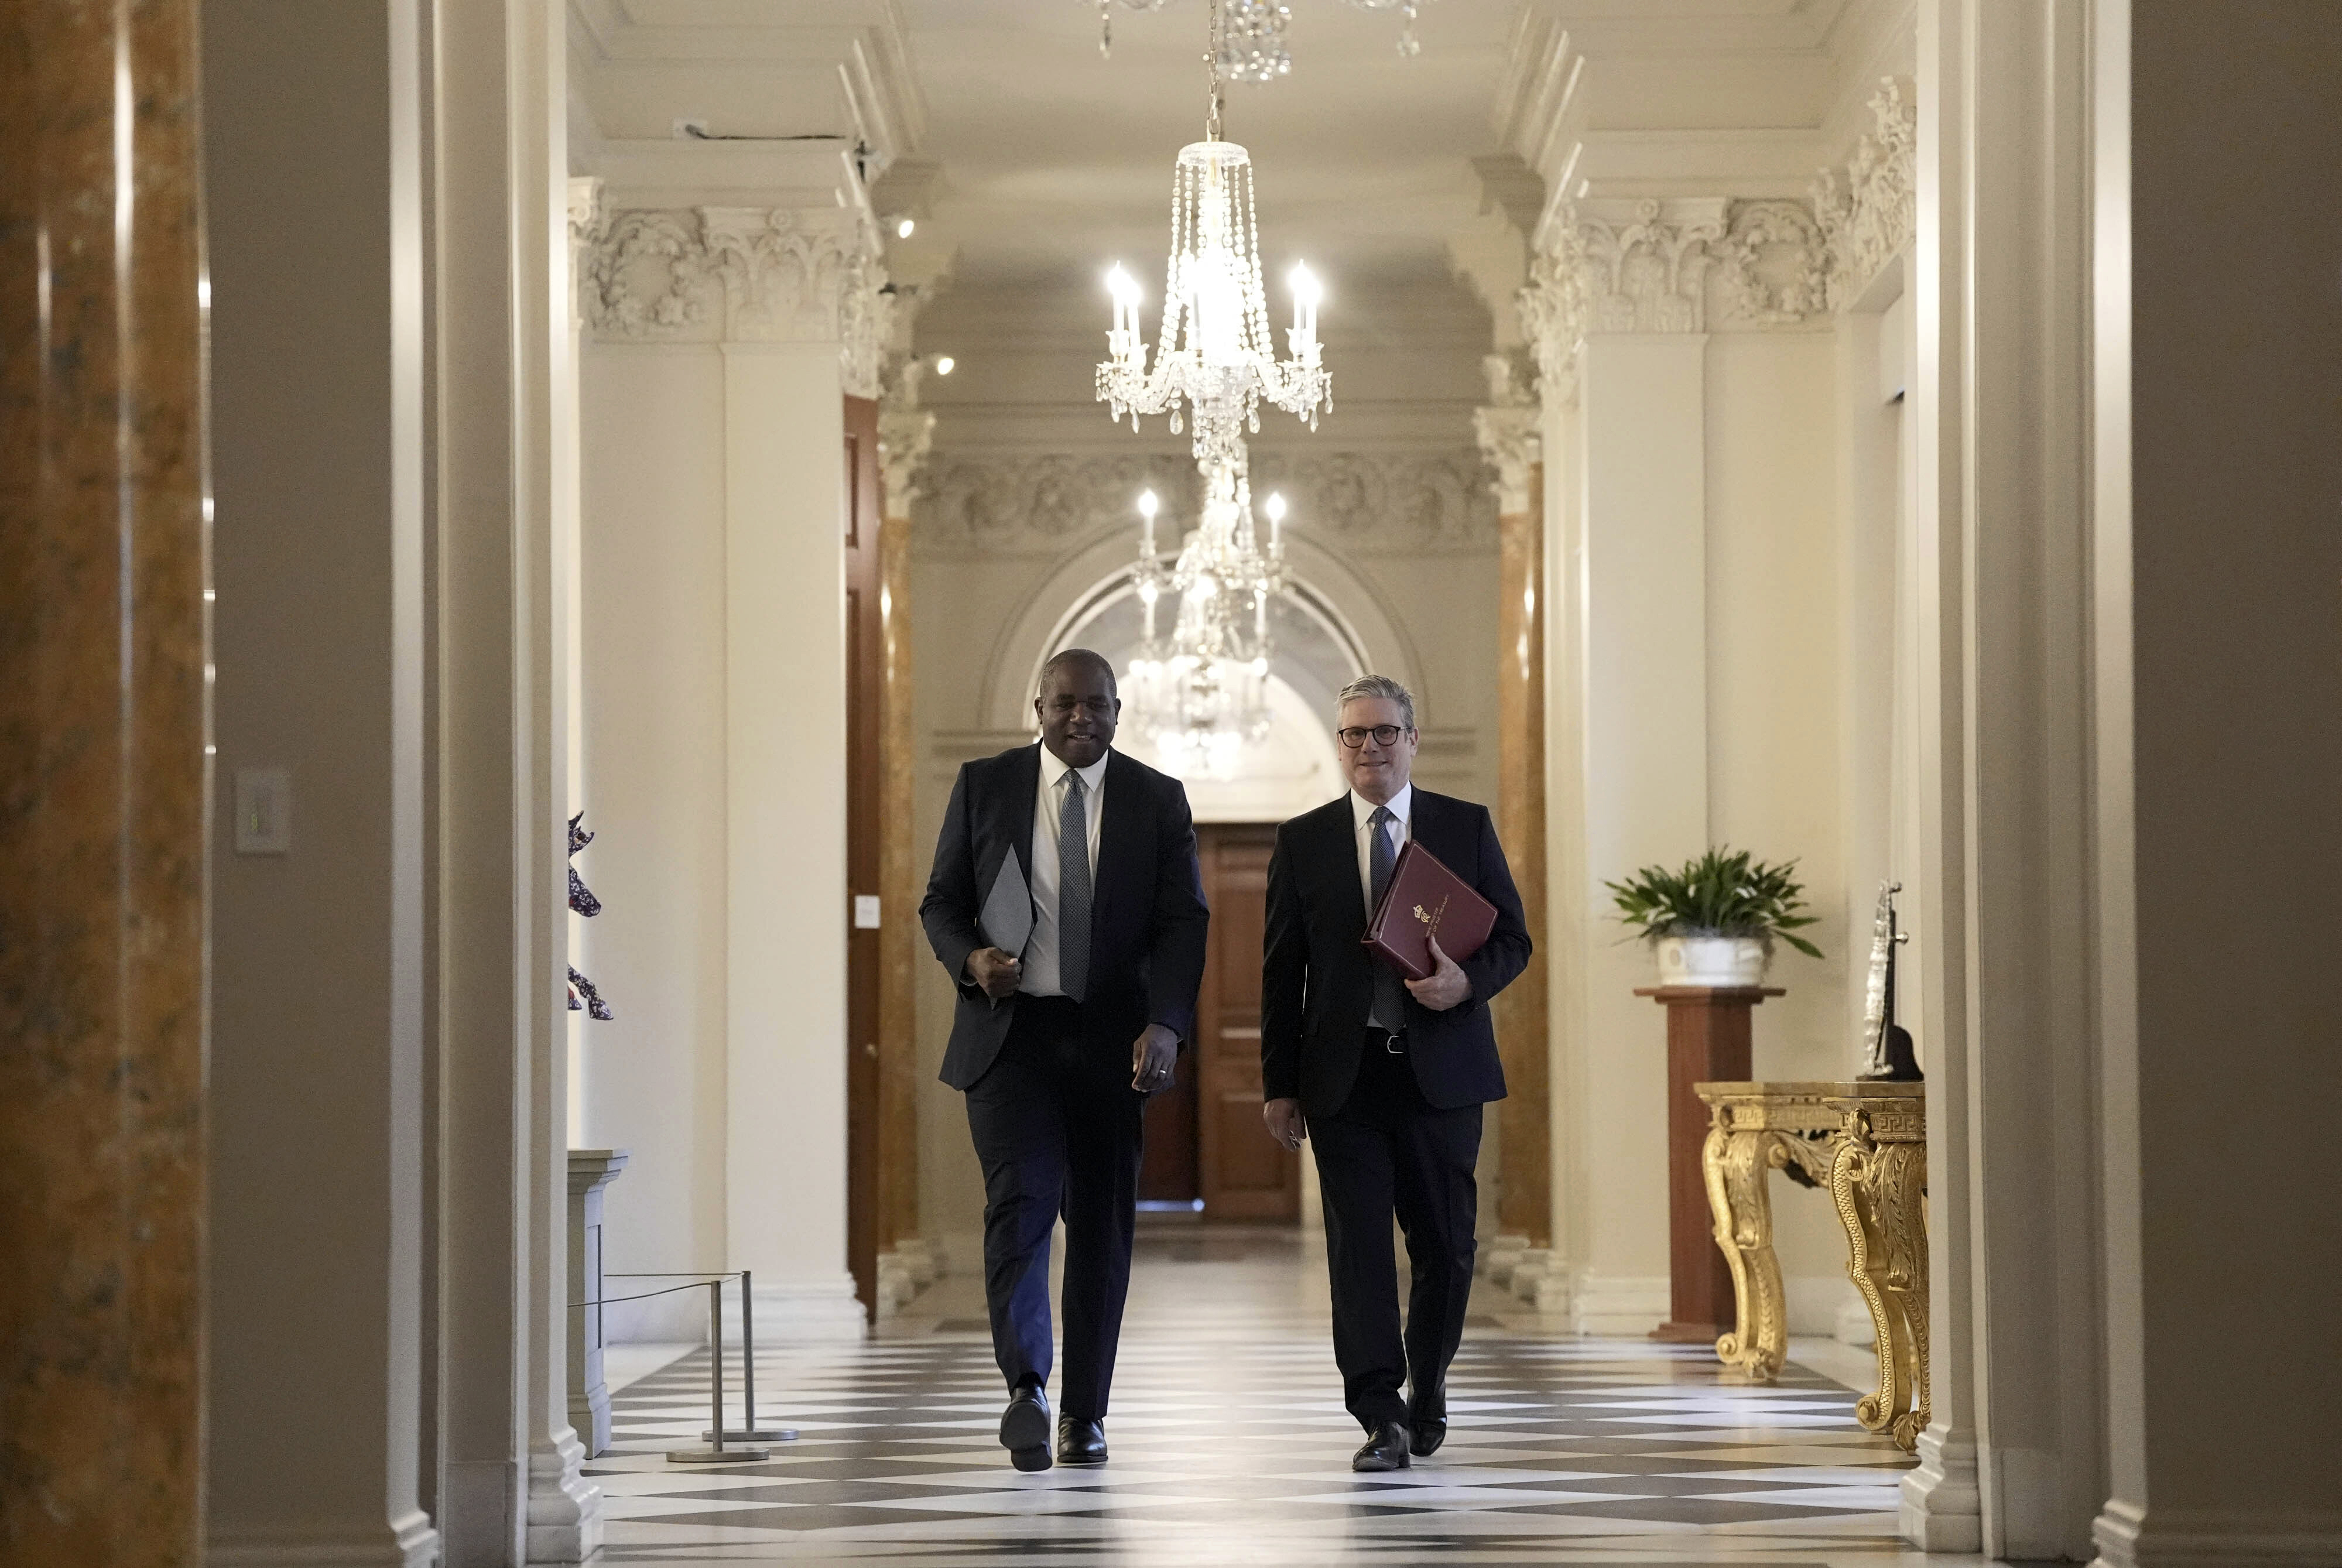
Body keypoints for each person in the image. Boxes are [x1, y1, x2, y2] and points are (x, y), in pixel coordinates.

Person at [919, 648, 1210, 1472]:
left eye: (1096, 704)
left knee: (1101, 1228)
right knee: (1019, 1211)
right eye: (1065, 703)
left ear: (1118, 711)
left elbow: (1183, 922)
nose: (1081, 716)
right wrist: (971, 959)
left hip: (1115, 1045)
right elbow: (941, 902)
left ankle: (1085, 1412)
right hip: (1013, 1038)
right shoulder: (986, 786)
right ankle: (1027, 1387)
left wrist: (1167, 1023)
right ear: (1039, 709)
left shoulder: (1156, 798)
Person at [1259, 673, 1531, 1472]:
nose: (1369, 746)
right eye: (1355, 733)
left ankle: (1430, 1383)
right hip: (1342, 1081)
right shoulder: (1303, 840)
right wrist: (1279, 1084)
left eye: (1385, 732)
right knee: (1359, 1254)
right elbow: (1281, 973)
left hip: (1441, 1075)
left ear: (1413, 739)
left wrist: (1464, 984)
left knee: (1446, 1246)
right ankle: (1380, 1413)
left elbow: (1513, 941)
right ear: (1340, 744)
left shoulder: (1463, 826)